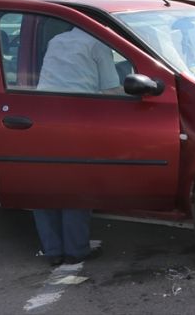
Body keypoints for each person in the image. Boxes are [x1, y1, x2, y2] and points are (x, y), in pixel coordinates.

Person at [32, 27, 123, 266]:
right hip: (76, 119)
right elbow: (111, 90)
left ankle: (52, 250)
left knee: (46, 185)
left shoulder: (55, 39)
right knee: (75, 184)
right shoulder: (97, 44)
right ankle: (75, 250)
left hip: (42, 117)